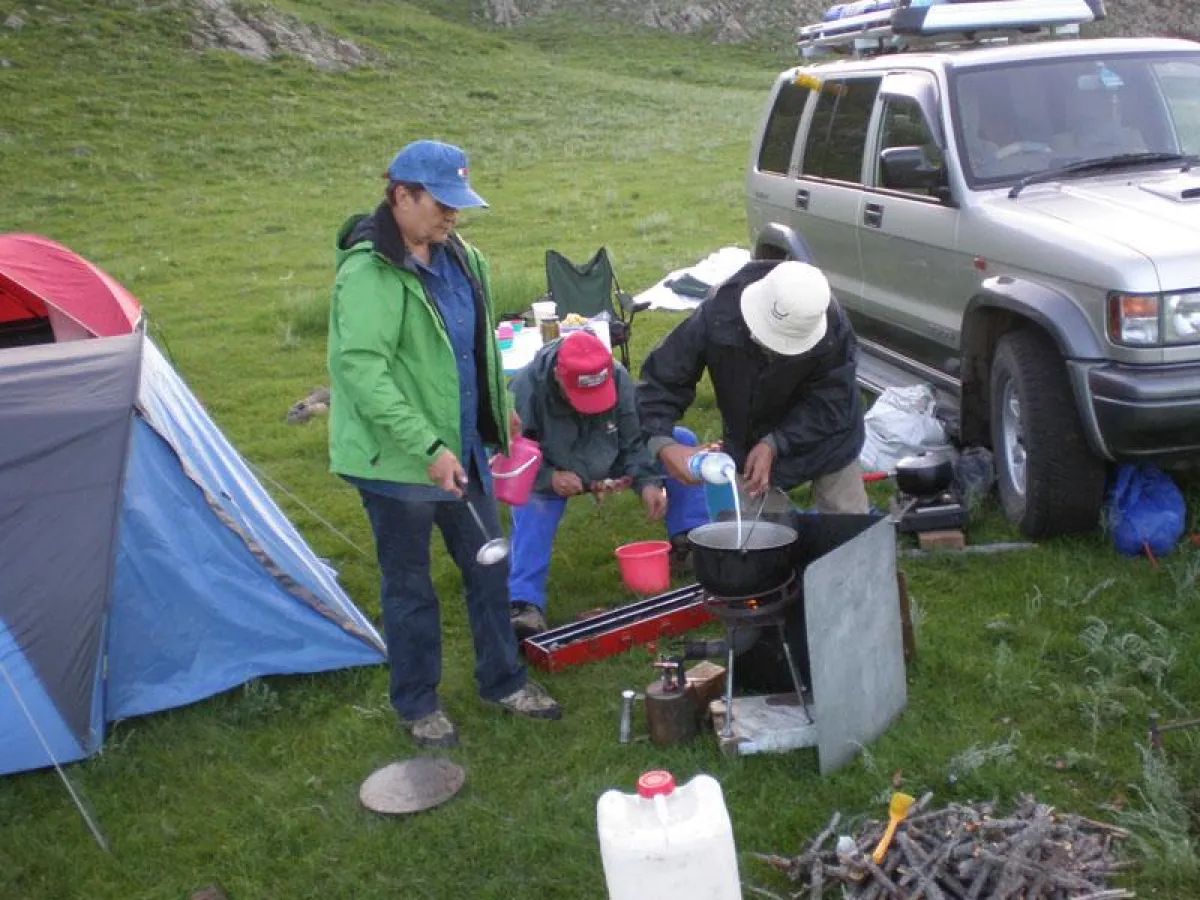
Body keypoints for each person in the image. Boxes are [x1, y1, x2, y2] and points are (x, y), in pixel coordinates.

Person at [326, 139, 560, 748]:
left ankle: (504, 682)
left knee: (490, 567)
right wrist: (428, 448)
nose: (453, 215)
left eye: (459, 202)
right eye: (441, 203)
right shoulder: (368, 272)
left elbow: (477, 344)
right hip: (400, 459)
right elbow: (363, 373)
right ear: (401, 195)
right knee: (409, 586)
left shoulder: (462, 257)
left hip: (464, 449)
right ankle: (417, 702)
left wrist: (499, 406)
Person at [637, 259, 869, 514]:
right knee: (758, 541)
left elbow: (831, 403)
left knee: (850, 529)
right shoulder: (719, 312)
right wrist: (663, 443)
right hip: (750, 436)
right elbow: (662, 379)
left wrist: (776, 443)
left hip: (828, 438)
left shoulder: (833, 328)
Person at [507, 329, 669, 638]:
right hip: (553, 471)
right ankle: (523, 603)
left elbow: (633, 442)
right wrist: (548, 477)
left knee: (681, 443)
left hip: (606, 460)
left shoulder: (618, 378)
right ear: (557, 375)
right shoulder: (525, 389)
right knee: (533, 503)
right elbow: (508, 454)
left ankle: (686, 541)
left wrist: (647, 482)